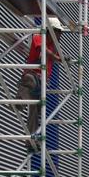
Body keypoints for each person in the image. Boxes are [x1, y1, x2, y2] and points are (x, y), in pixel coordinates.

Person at [17, 16, 65, 148]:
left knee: (35, 113)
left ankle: (31, 141)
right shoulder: (39, 37)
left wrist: (61, 58)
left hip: (41, 82)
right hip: (32, 76)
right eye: (58, 32)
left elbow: (51, 56)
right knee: (30, 81)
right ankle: (19, 102)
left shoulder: (53, 46)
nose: (60, 35)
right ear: (50, 30)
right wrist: (57, 57)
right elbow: (43, 51)